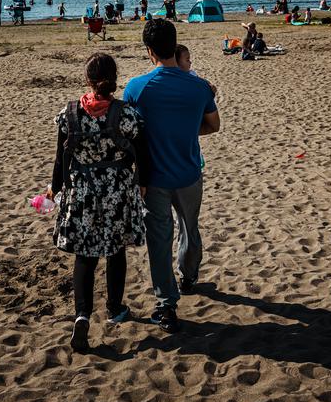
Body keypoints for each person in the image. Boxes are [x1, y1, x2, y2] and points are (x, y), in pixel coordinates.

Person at [48, 53, 149, 352]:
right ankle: (115, 308)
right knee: (115, 251)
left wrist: (55, 189)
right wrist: (142, 184)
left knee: (85, 255)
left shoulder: (69, 114)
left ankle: (82, 315)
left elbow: (60, 158)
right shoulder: (126, 115)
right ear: (114, 77)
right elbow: (142, 154)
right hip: (116, 190)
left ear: (88, 79)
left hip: (83, 192)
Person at [123, 20, 219, 334]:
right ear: (174, 46)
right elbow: (213, 125)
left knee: (159, 241)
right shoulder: (199, 86)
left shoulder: (136, 87)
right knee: (189, 228)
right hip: (190, 172)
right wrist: (187, 131)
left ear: (149, 51)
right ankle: (188, 276)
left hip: (154, 179)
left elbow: (128, 133)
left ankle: (166, 304)